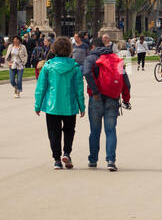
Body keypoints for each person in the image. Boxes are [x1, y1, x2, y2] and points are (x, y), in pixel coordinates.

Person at [34, 36, 86, 169]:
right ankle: (67, 153)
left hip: (52, 106)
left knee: (53, 133)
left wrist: (37, 105)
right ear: (70, 50)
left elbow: (41, 87)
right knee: (69, 131)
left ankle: (57, 159)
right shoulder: (74, 67)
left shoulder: (48, 66)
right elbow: (79, 89)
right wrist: (82, 106)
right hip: (69, 105)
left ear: (54, 49)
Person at [84, 34, 131, 172]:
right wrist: (126, 99)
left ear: (93, 46)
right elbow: (126, 83)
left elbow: (86, 72)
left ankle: (93, 160)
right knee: (110, 131)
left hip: (96, 98)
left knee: (95, 131)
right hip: (112, 98)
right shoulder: (116, 59)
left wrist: (95, 91)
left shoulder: (91, 58)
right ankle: (111, 160)